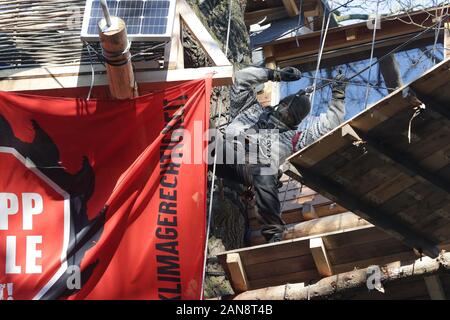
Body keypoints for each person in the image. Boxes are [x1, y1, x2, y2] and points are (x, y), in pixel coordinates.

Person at [212, 66, 347, 243]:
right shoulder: (251, 109)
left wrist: (338, 96)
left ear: (296, 122)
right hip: (223, 153)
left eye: (291, 115)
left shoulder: (294, 138)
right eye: (284, 106)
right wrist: (275, 74)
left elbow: (329, 125)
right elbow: (240, 79)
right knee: (203, 132)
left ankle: (274, 233)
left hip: (249, 170)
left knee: (265, 171)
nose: (284, 112)